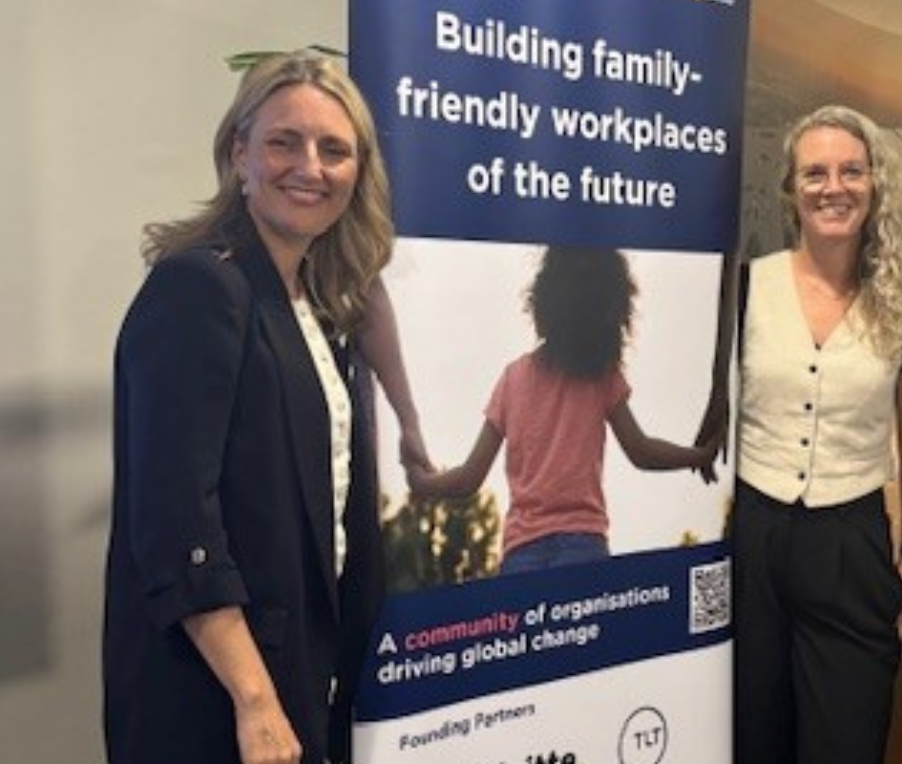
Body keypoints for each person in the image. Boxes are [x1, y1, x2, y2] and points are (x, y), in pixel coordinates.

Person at [103, 49, 394, 764]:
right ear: (239, 154)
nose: (311, 168)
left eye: (335, 150)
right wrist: (256, 701)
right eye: (283, 142)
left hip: (300, 668)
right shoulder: (198, 289)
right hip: (217, 693)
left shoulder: (319, 308)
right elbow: (177, 521)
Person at [734, 104, 902, 764]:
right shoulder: (745, 288)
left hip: (850, 540)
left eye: (852, 171)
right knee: (749, 732)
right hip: (754, 534)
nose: (834, 187)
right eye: (815, 172)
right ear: (792, 190)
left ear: (874, 184)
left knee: (846, 738)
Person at [403, 246, 721, 574]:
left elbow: (469, 478)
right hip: (584, 545)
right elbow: (641, 451)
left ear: (543, 298)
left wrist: (422, 482)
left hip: (522, 553)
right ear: (610, 307)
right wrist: (699, 456)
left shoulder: (513, 379)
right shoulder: (601, 375)